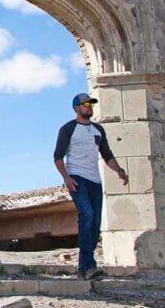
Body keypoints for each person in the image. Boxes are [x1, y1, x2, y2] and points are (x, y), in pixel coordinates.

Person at [53, 92, 128, 279]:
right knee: (86, 215)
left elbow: (107, 155)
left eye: (90, 104)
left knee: (95, 225)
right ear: (76, 108)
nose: (89, 106)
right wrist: (67, 178)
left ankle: (82, 266)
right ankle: (90, 267)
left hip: (95, 181)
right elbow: (58, 157)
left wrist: (119, 170)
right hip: (77, 178)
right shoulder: (68, 129)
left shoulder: (98, 130)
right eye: (85, 104)